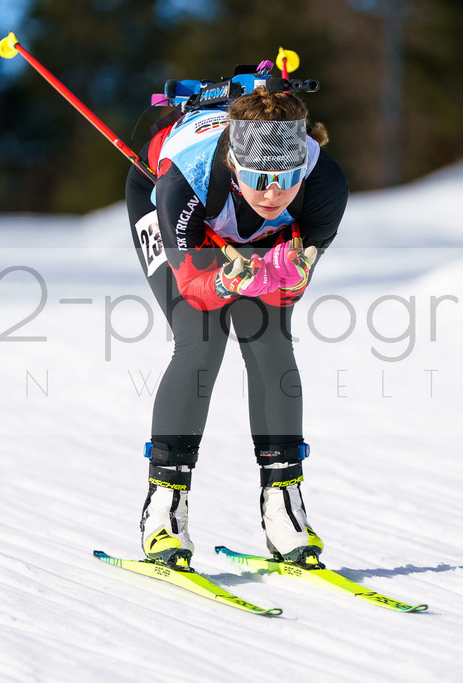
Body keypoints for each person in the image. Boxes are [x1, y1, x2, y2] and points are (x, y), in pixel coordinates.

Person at [124, 81, 349, 569]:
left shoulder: (326, 182)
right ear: (234, 166)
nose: (273, 193)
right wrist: (224, 285)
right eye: (258, 178)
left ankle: (284, 508)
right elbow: (193, 290)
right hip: (161, 196)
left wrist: (291, 273)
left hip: (249, 232)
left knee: (269, 340)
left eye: (287, 178)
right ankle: (164, 511)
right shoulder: (186, 182)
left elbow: (291, 286)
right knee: (200, 339)